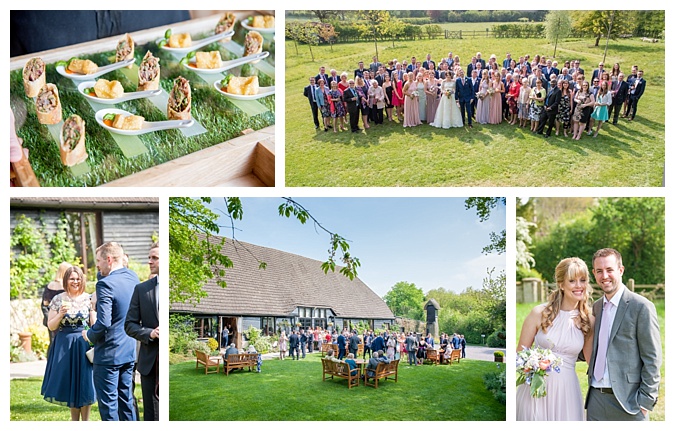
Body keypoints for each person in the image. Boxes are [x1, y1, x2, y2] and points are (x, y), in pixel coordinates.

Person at [585, 248, 661, 420]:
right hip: (595, 399)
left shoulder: (641, 307)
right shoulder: (596, 308)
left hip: (629, 402)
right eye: (599, 271)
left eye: (609, 270)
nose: (604, 276)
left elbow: (652, 358)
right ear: (594, 274)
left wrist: (645, 402)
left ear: (620, 270)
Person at [515, 257, 594, 421]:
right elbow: (520, 353)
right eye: (572, 280)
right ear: (561, 284)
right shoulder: (539, 313)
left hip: (567, 391)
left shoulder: (588, 320)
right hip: (535, 391)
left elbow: (592, 361)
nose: (579, 286)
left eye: (583, 280)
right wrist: (532, 364)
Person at [83, 242, 139, 421]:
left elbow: (104, 322)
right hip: (129, 350)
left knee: (108, 407)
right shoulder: (132, 277)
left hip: (108, 354)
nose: (97, 265)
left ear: (109, 259)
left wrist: (89, 335)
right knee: (126, 402)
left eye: (98, 261)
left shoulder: (105, 284)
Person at [41, 266, 96, 420]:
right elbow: (51, 326)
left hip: (83, 344)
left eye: (78, 278)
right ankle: (74, 422)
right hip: (64, 345)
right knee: (71, 382)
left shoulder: (89, 298)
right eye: (72, 278)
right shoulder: (58, 299)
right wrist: (60, 314)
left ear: (82, 280)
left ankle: (85, 421)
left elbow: (94, 324)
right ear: (66, 280)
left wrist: (93, 314)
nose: (75, 281)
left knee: (85, 382)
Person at [124, 242, 159, 421]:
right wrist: (150, 333)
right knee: (151, 414)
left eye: (155, 258)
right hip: (149, 362)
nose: (150, 261)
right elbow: (129, 325)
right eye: (149, 257)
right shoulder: (142, 289)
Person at [42, 262, 72, 345]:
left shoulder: (49, 285)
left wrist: (49, 318)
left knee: (52, 343)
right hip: (64, 318)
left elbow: (44, 304)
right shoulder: (66, 286)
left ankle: (51, 358)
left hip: (50, 318)